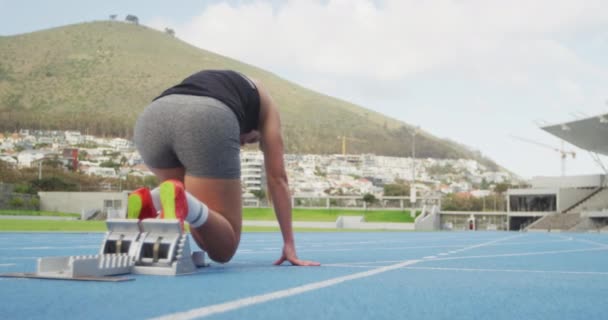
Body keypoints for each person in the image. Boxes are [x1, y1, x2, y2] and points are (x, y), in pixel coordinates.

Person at [130, 69, 320, 267]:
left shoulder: (225, 84)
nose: (244, 144)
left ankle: (150, 202)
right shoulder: (268, 105)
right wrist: (288, 243)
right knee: (223, 248)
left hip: (152, 117)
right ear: (255, 126)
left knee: (189, 213)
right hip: (207, 116)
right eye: (252, 139)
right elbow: (278, 178)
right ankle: (180, 199)